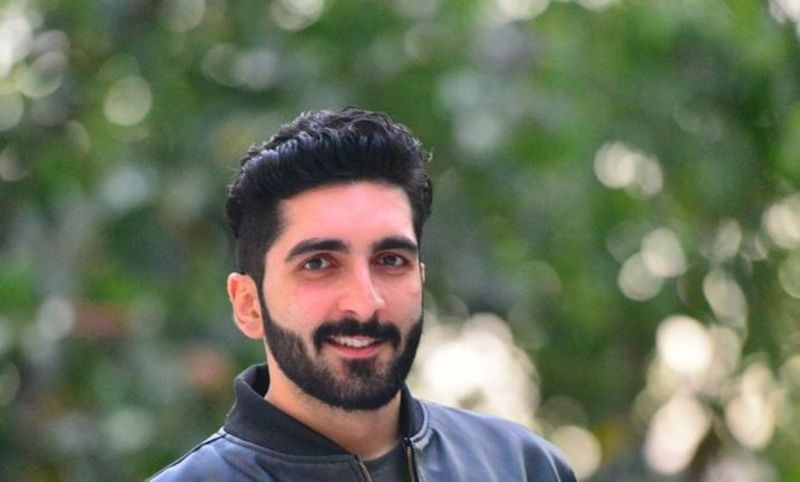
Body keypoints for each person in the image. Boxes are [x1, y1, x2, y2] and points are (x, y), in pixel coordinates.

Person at [149, 108, 576, 481]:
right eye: (319, 264)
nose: (365, 302)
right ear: (248, 304)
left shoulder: (521, 467)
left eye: (390, 260)